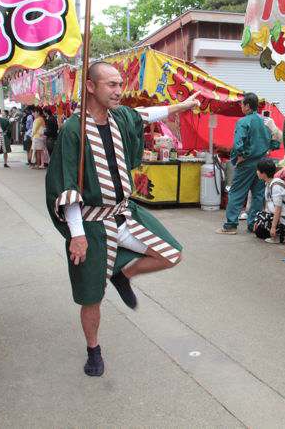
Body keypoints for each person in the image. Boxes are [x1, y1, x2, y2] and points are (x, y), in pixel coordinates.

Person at [45, 60, 200, 377]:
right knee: (91, 297)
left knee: (171, 253)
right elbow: (68, 187)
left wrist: (183, 105)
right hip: (89, 222)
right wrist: (77, 235)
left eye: (119, 84)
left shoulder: (120, 118)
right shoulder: (74, 130)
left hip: (124, 213)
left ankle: (123, 274)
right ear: (90, 87)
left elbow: (147, 114)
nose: (118, 91)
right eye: (110, 85)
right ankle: (94, 350)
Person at [216, 93, 280, 234]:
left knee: (237, 192)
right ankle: (253, 224)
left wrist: (243, 155)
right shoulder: (265, 121)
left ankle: (231, 225)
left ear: (247, 106)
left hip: (247, 164)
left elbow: (238, 145)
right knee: (257, 194)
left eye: (242, 104)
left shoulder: (243, 122)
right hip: (262, 163)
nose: (241, 106)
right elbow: (275, 142)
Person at [253, 158, 285, 244]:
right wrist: (259, 221)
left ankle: (281, 236)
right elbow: (267, 206)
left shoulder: (276, 186)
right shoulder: (269, 183)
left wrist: (273, 227)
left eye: (258, 170)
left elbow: (278, 209)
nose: (256, 172)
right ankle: (280, 234)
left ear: (263, 173)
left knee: (261, 232)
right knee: (259, 229)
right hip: (279, 216)